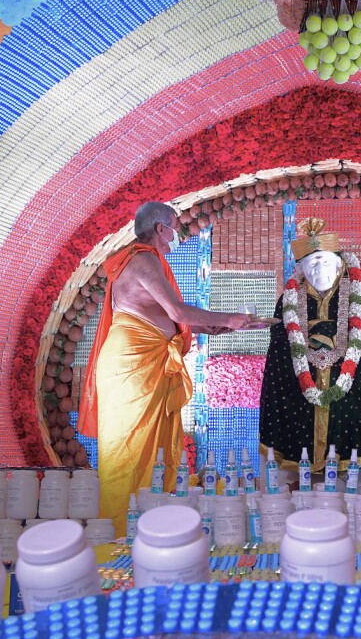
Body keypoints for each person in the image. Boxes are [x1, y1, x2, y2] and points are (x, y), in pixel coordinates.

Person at [77, 202, 268, 532]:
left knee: (156, 453)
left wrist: (227, 326)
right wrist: (228, 318)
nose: (177, 235)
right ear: (159, 229)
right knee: (130, 453)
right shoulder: (142, 260)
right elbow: (178, 312)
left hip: (146, 363)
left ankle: (155, 528)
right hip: (132, 366)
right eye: (175, 227)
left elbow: (171, 319)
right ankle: (121, 534)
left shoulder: (151, 262)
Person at [259, 218, 361, 481]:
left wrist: (350, 373)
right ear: (301, 268)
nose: (319, 267)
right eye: (312, 263)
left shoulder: (358, 297)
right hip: (300, 390)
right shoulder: (288, 300)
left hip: (349, 385)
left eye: (325, 260)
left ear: (339, 264)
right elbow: (279, 351)